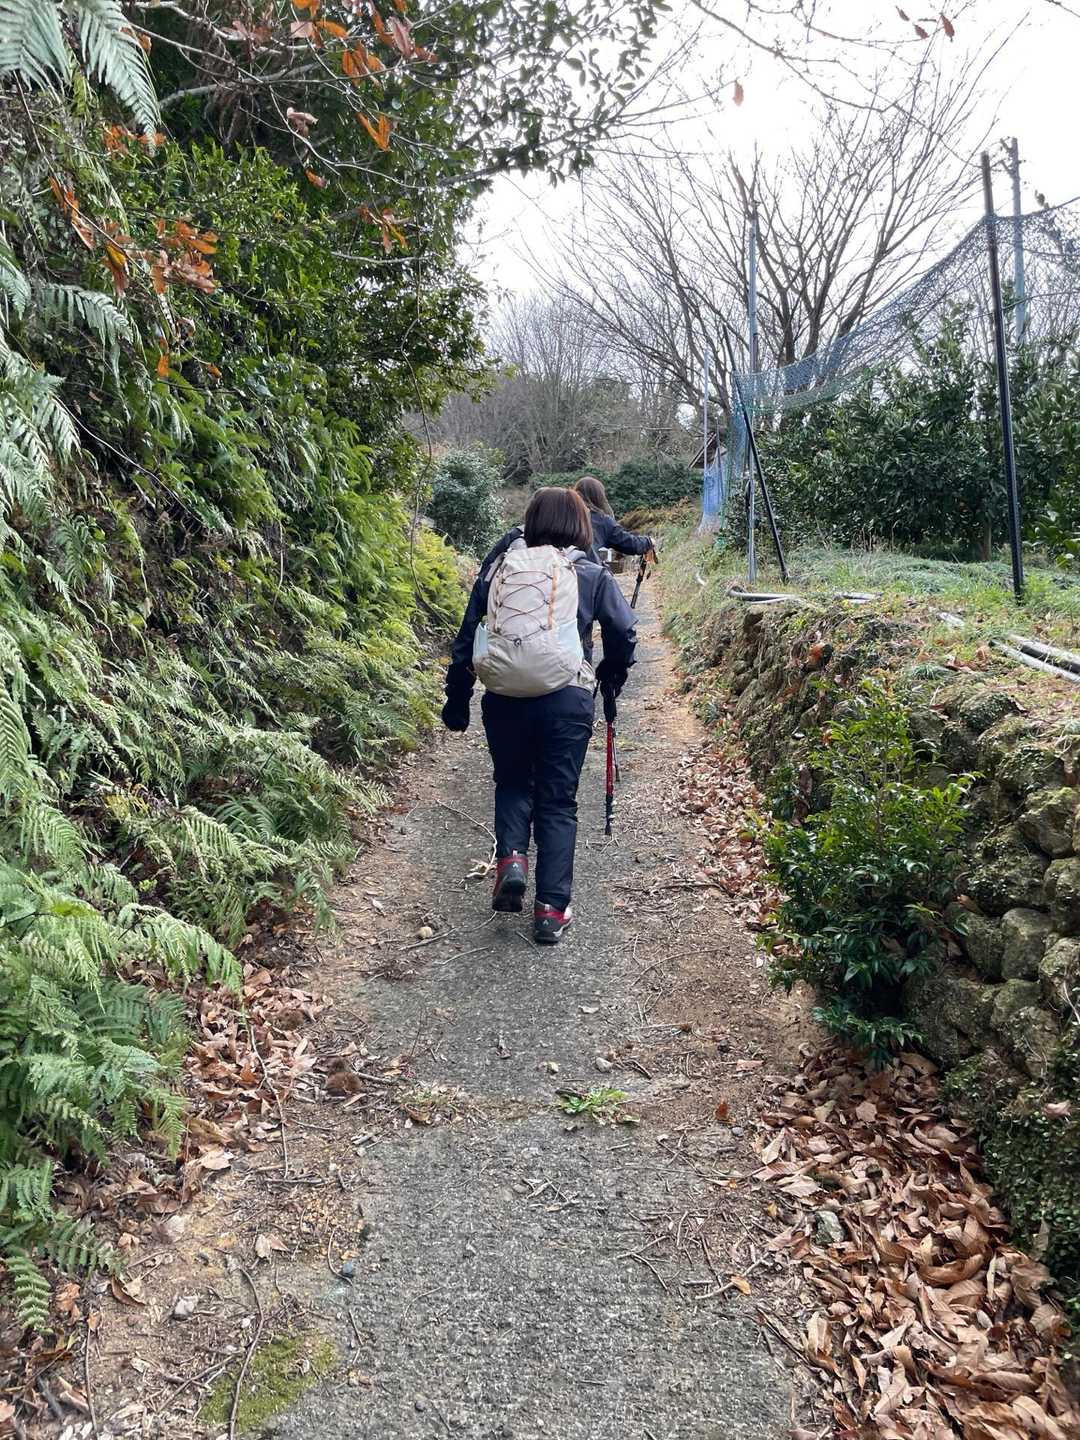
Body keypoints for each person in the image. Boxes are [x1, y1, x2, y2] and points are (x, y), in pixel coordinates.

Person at [441, 488, 637, 945]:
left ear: (529, 523)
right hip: (566, 701)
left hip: (504, 697)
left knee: (512, 783)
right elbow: (625, 630)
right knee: (558, 801)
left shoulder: (501, 569)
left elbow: (469, 636)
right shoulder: (589, 571)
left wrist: (457, 697)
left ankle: (512, 859)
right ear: (581, 524)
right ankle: (550, 910)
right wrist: (611, 673)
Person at [573, 475, 657, 562]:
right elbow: (628, 543)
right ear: (598, 497)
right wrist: (648, 542)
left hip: (565, 566)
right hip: (588, 568)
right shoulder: (602, 520)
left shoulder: (567, 516)